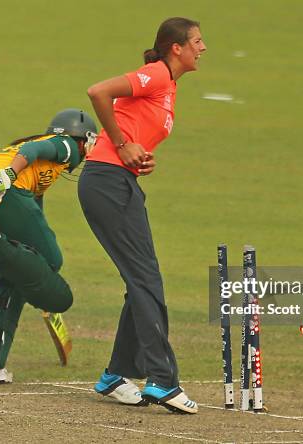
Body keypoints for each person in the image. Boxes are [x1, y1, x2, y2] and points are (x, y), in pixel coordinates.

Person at [78, 17, 207, 413]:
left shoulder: (168, 87)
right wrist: (122, 144)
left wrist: (137, 157)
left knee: (142, 280)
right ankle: (162, 381)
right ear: (176, 48)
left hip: (119, 182)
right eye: (197, 42)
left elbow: (136, 128)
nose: (203, 48)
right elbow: (97, 92)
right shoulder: (155, 75)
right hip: (107, 182)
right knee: (147, 280)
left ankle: (116, 375)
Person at [0, 108, 97, 383]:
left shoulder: (41, 171)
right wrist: (11, 173)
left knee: (13, 275)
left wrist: (37, 281)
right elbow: (35, 149)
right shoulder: (65, 145)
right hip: (4, 189)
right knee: (53, 260)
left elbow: (34, 222)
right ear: (81, 138)